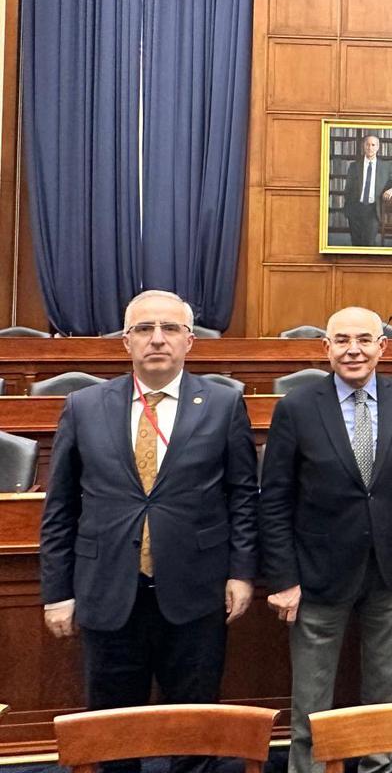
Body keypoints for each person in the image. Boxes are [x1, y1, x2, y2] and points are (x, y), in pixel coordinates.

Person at [40, 290, 258, 773]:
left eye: (170, 329)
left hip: (196, 590)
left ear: (190, 341)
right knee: (114, 728)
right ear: (125, 341)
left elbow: (243, 496)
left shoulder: (224, 403)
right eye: (144, 329)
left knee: (195, 725)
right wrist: (57, 592)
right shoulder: (84, 406)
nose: (157, 339)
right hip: (108, 592)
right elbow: (60, 508)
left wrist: (242, 573)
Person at [259, 306, 392, 773]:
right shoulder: (296, 405)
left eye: (363, 339)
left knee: (384, 695)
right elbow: (273, 499)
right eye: (341, 340)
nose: (353, 349)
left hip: (391, 572)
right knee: (311, 702)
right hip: (317, 574)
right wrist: (284, 577)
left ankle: (379, 768)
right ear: (325, 348)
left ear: (382, 346)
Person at [342, 134, 392, 247]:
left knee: (369, 243)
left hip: (373, 210)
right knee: (356, 243)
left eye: (373, 145)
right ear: (363, 146)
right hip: (355, 209)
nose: (370, 148)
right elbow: (348, 189)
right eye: (367, 144)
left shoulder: (386, 166)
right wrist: (350, 204)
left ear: (378, 147)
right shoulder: (354, 166)